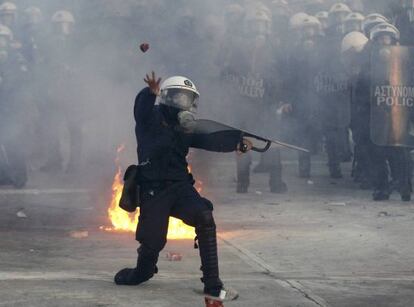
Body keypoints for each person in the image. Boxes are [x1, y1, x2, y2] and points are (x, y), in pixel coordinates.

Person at [114, 73, 249, 301]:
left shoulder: (185, 126)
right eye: (180, 97)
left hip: (180, 187)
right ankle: (140, 272)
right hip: (153, 190)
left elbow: (209, 140)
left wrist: (237, 143)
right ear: (168, 97)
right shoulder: (150, 119)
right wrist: (150, 93)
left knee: (204, 216)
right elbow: (140, 109)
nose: (185, 104)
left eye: (189, 99)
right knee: (153, 244)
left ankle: (212, 284)